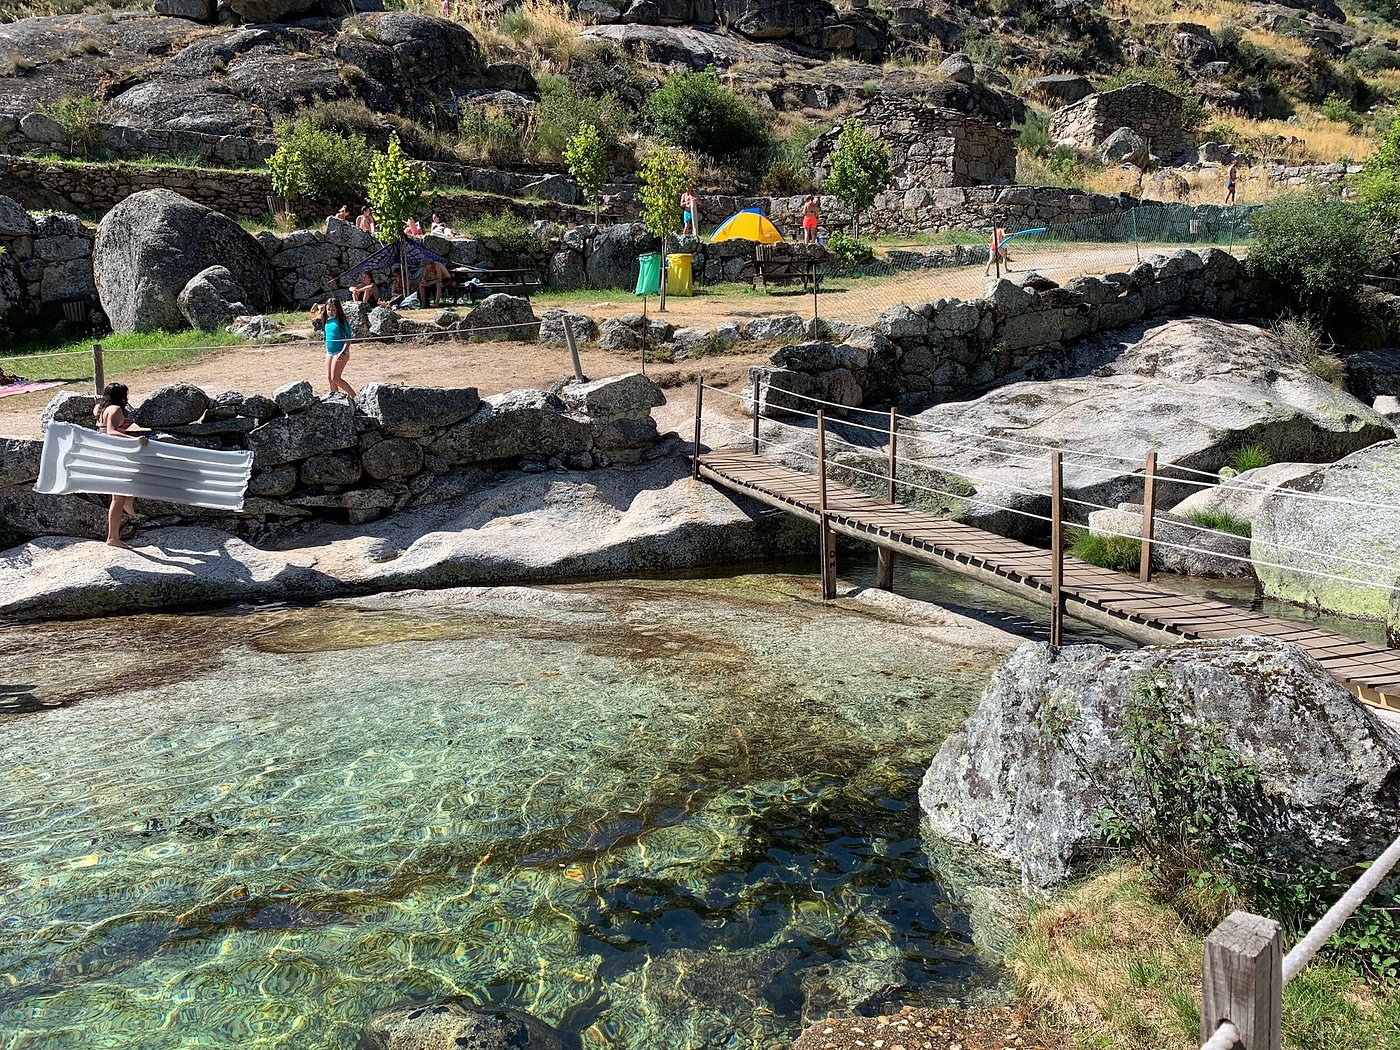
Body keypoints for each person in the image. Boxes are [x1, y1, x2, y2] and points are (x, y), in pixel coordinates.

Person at [93, 383, 149, 549]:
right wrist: (136, 439)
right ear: (121, 396)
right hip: (115, 456)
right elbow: (111, 432)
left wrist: (97, 402)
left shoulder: (102, 410)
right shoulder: (116, 409)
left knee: (128, 485)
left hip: (108, 455)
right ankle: (113, 537)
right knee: (117, 498)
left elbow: (95, 411)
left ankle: (128, 502)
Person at [324, 298, 356, 398]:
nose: (331, 312)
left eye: (333, 310)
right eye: (329, 309)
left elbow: (349, 339)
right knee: (330, 378)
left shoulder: (342, 322)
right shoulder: (327, 320)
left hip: (341, 352)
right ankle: (335, 399)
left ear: (338, 309)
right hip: (329, 352)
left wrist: (342, 352)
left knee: (336, 378)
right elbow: (312, 314)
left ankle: (355, 397)